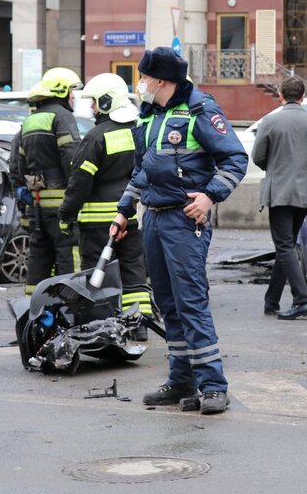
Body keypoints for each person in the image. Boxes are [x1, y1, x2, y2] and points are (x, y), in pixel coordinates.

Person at [111, 47, 247, 415]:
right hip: (154, 217)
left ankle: (214, 386)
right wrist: (125, 211)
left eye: (144, 78)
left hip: (185, 221)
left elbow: (235, 159)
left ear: (162, 81)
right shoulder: (150, 115)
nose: (140, 85)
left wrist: (209, 197)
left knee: (191, 302)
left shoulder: (200, 109)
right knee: (168, 303)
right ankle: (181, 380)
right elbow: (143, 171)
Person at [57, 73, 151, 339]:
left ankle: (102, 328)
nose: (92, 108)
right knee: (134, 272)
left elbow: (79, 182)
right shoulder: (139, 130)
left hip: (97, 224)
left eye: (95, 103)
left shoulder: (96, 137)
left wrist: (66, 214)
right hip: (132, 217)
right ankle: (139, 326)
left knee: (97, 275)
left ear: (107, 102)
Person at [253, 77, 307, 320]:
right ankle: (272, 300)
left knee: (284, 246)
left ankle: (302, 299)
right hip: (305, 194)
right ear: (302, 97)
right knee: (286, 246)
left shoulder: (270, 121)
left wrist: (276, 167)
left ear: (280, 95)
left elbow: (257, 156)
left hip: (279, 192)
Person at [14, 67, 83, 292]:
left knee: (39, 257)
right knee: (68, 254)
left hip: (36, 206)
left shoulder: (30, 121)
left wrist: (22, 193)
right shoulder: (62, 117)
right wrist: (77, 194)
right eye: (71, 91)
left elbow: (16, 165)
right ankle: (70, 306)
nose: (73, 97)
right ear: (61, 91)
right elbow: (71, 159)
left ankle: (32, 310)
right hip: (61, 203)